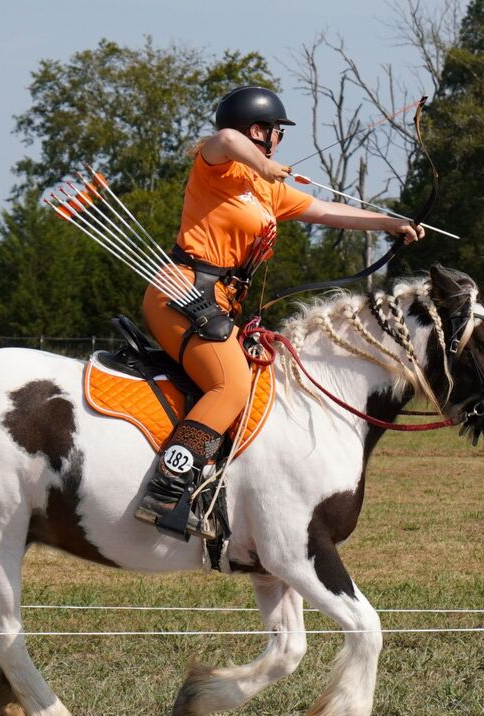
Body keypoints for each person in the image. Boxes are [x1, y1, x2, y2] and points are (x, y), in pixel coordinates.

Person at [135, 85, 425, 539]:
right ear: (259, 132)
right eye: (275, 133)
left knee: (255, 389)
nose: (278, 141)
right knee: (229, 386)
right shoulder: (216, 168)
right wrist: (264, 164)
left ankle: (218, 487)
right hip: (181, 292)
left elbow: (329, 211)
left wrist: (390, 222)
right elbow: (225, 140)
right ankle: (167, 489)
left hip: (218, 305)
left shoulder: (267, 192)